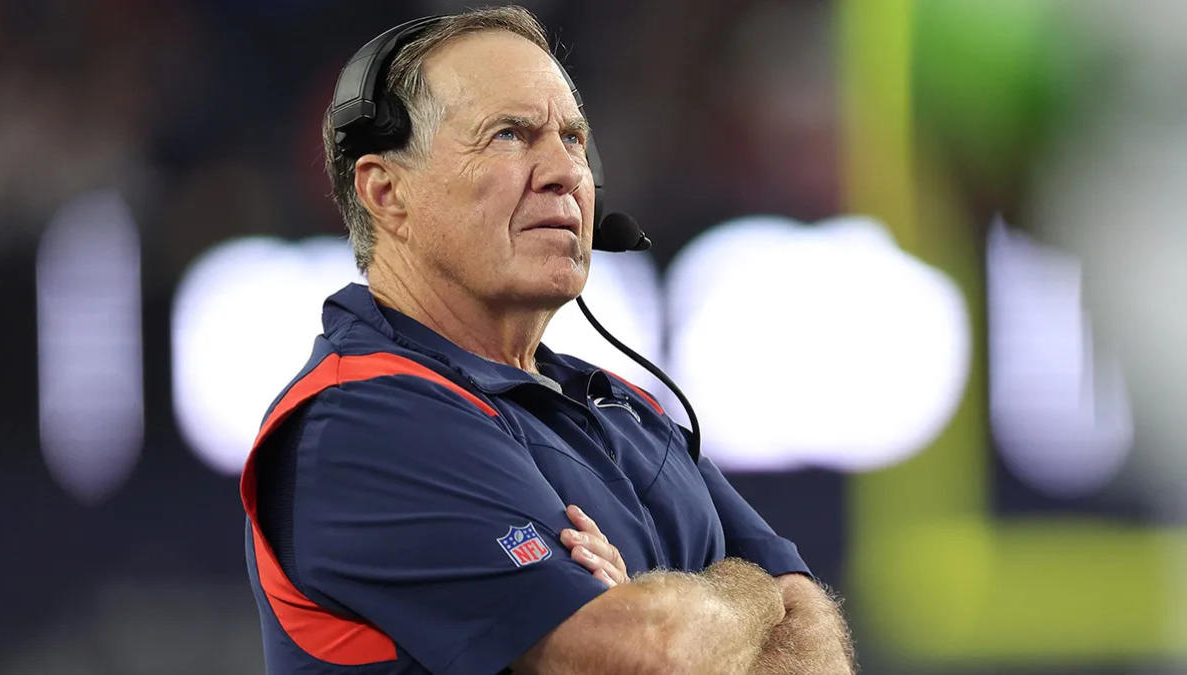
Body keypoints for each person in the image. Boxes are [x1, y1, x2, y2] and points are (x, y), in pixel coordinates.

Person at [241, 6, 855, 674]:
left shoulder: (623, 405)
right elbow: (647, 654)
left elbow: (814, 637)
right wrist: (745, 595)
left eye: (573, 139)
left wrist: (678, 604)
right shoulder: (358, 419)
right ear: (387, 192)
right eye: (510, 135)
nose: (565, 171)